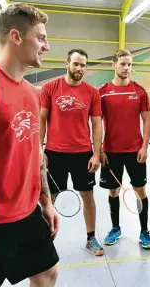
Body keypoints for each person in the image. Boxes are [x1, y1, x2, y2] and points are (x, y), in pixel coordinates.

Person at [0, 3, 66, 287]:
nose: (47, 46)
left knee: (47, 272)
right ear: (15, 36)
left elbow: (35, 149)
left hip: (25, 213)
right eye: (41, 38)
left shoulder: (29, 92)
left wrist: (46, 201)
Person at [40, 48, 104, 256]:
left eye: (83, 65)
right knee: (50, 197)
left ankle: (91, 238)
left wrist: (96, 153)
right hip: (54, 153)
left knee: (88, 195)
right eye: (76, 63)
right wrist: (40, 149)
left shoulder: (92, 92)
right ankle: (44, 240)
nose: (79, 68)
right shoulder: (50, 88)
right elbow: (41, 120)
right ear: (67, 64)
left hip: (82, 154)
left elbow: (96, 124)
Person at [98, 49, 150, 249]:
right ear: (113, 65)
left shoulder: (139, 91)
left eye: (129, 64)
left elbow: (147, 120)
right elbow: (95, 123)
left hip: (135, 152)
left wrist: (145, 146)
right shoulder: (103, 92)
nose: (127, 68)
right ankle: (115, 228)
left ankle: (144, 231)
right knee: (113, 191)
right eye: (123, 64)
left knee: (140, 191)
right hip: (110, 152)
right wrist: (99, 150)